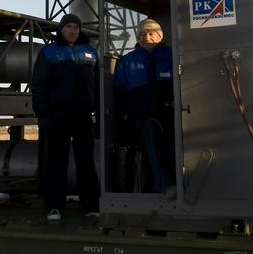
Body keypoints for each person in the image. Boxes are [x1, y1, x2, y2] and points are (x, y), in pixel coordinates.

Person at [31, 13, 100, 221]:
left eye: (76, 27)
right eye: (68, 27)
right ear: (61, 29)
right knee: (56, 161)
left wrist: (96, 108)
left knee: (86, 161)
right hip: (57, 115)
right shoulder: (49, 53)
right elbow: (39, 85)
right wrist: (42, 114)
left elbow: (97, 85)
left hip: (83, 115)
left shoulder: (90, 52)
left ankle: (90, 205)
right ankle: (54, 205)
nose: (72, 31)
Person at [113, 18, 175, 196]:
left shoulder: (171, 55)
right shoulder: (127, 61)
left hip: (170, 112)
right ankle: (165, 186)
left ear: (159, 36)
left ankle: (178, 181)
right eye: (142, 34)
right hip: (143, 115)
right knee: (152, 134)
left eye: (151, 33)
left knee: (173, 142)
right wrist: (122, 117)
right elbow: (119, 93)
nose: (147, 37)